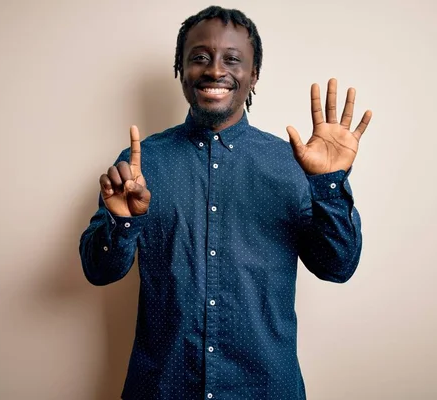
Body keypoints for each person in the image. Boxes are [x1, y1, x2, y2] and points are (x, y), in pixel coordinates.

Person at [79, 5, 372, 400]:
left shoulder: (293, 165)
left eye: (232, 59)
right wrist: (122, 225)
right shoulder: (139, 166)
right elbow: (99, 272)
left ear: (253, 75)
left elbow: (338, 267)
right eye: (200, 57)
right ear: (180, 69)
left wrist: (328, 184)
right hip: (163, 388)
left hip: (266, 389)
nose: (216, 70)